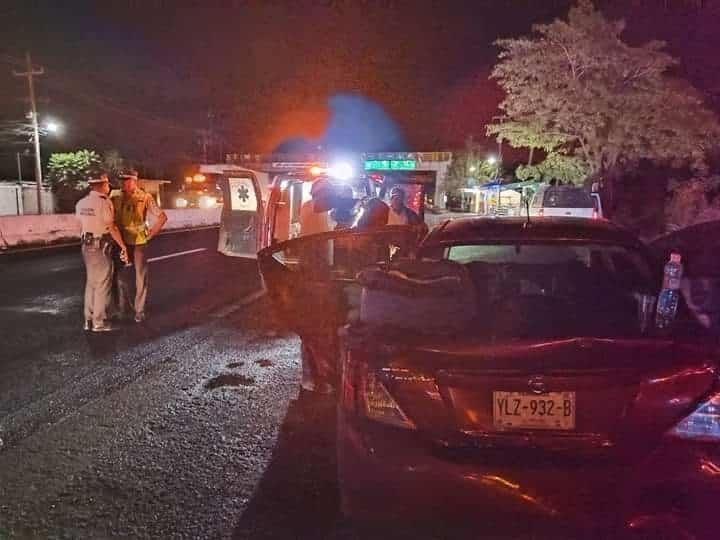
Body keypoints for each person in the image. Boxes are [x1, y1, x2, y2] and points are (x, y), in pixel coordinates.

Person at [112, 170, 167, 323]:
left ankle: (139, 310)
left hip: (139, 242)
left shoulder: (145, 197)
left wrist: (151, 234)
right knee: (119, 276)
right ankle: (123, 308)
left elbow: (162, 217)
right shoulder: (115, 196)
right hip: (121, 242)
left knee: (140, 277)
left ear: (134, 181)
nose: (123, 183)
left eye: (127, 180)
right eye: (122, 180)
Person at [75, 172, 128, 332]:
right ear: (102, 185)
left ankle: (88, 320)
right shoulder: (104, 203)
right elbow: (111, 227)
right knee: (102, 284)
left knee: (91, 283)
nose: (108, 187)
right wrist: (123, 246)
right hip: (100, 245)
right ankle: (99, 322)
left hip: (86, 245)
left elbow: (80, 225)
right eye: (107, 184)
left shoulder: (81, 202)